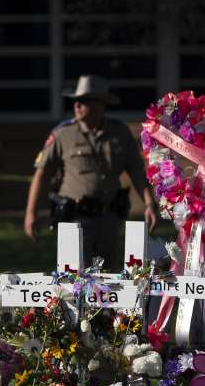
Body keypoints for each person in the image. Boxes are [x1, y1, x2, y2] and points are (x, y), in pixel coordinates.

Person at [23, 75, 157, 267]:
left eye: (85, 101)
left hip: (109, 218)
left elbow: (136, 170)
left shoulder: (119, 132)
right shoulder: (62, 134)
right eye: (76, 101)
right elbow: (42, 173)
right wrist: (31, 213)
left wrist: (149, 203)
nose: (77, 105)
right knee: (75, 276)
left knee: (109, 277)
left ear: (102, 104)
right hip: (73, 218)